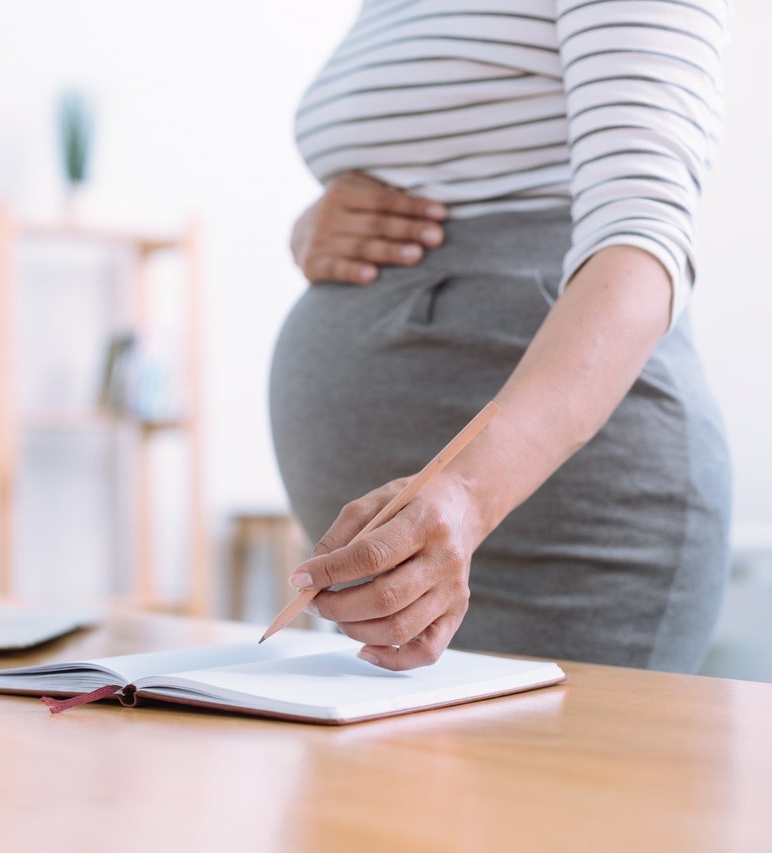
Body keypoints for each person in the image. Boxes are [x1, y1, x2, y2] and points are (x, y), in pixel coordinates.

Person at [269, 0, 731, 673]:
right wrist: (312, 229)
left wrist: (466, 492)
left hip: (565, 522)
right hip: (423, 550)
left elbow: (643, 237)